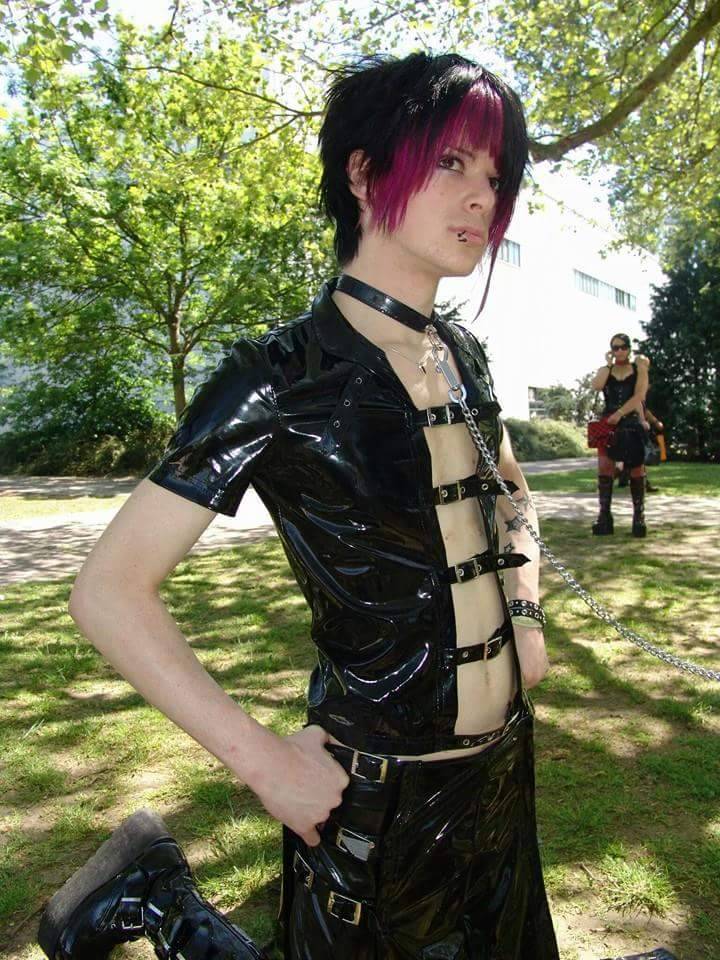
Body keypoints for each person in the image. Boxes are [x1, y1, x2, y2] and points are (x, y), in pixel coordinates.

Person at [38, 53, 561, 960]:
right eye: (449, 162)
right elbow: (109, 591)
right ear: (363, 172)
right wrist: (264, 762)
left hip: (504, 776)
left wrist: (524, 611)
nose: (483, 195)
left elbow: (509, 489)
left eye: (494, 172)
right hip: (371, 801)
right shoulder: (276, 378)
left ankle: (153, 887)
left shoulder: (463, 356)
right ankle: (163, 899)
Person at [590, 334, 650, 537]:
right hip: (608, 423)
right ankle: (604, 517)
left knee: (636, 469)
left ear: (629, 348)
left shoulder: (638, 368)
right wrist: (608, 365)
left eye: (623, 347)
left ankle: (639, 518)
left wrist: (621, 413)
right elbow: (597, 386)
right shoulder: (606, 370)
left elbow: (640, 395)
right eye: (615, 348)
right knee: (605, 467)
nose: (620, 351)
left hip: (630, 421)